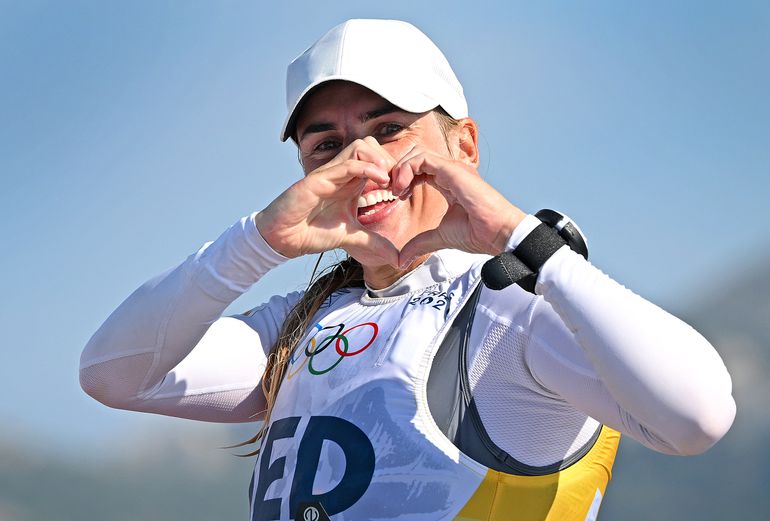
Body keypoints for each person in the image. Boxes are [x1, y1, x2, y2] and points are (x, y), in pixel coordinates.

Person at [80, 19, 736, 521]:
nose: (361, 161)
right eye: (327, 145)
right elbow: (112, 373)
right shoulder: (299, 323)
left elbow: (697, 415)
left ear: (465, 146)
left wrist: (521, 237)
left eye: (389, 128)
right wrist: (258, 242)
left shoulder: (511, 306)